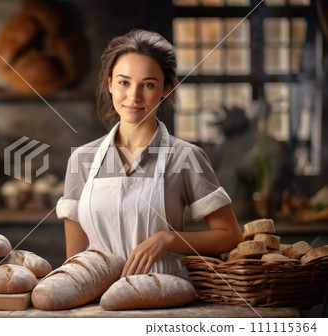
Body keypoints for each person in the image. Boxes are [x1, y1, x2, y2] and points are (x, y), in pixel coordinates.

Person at [56, 29, 243, 278]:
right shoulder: (81, 160)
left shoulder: (186, 157)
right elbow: (75, 263)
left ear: (166, 88)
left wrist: (169, 239)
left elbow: (230, 235)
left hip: (166, 298)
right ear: (110, 83)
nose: (133, 96)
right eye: (124, 82)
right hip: (98, 302)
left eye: (148, 84)